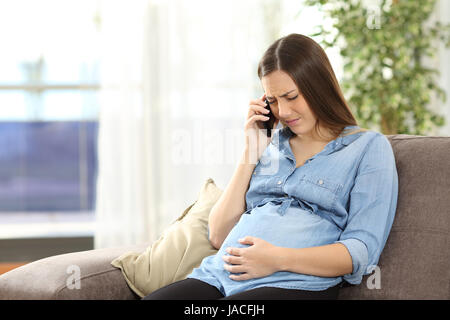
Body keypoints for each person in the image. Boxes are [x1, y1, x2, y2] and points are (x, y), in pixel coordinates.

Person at [143, 33, 399, 300]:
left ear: (319, 87)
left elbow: (360, 251)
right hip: (217, 276)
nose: (283, 112)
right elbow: (218, 236)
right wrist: (250, 151)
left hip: (292, 282)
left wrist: (277, 259)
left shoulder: (368, 148)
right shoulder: (271, 147)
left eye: (291, 97)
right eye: (273, 100)